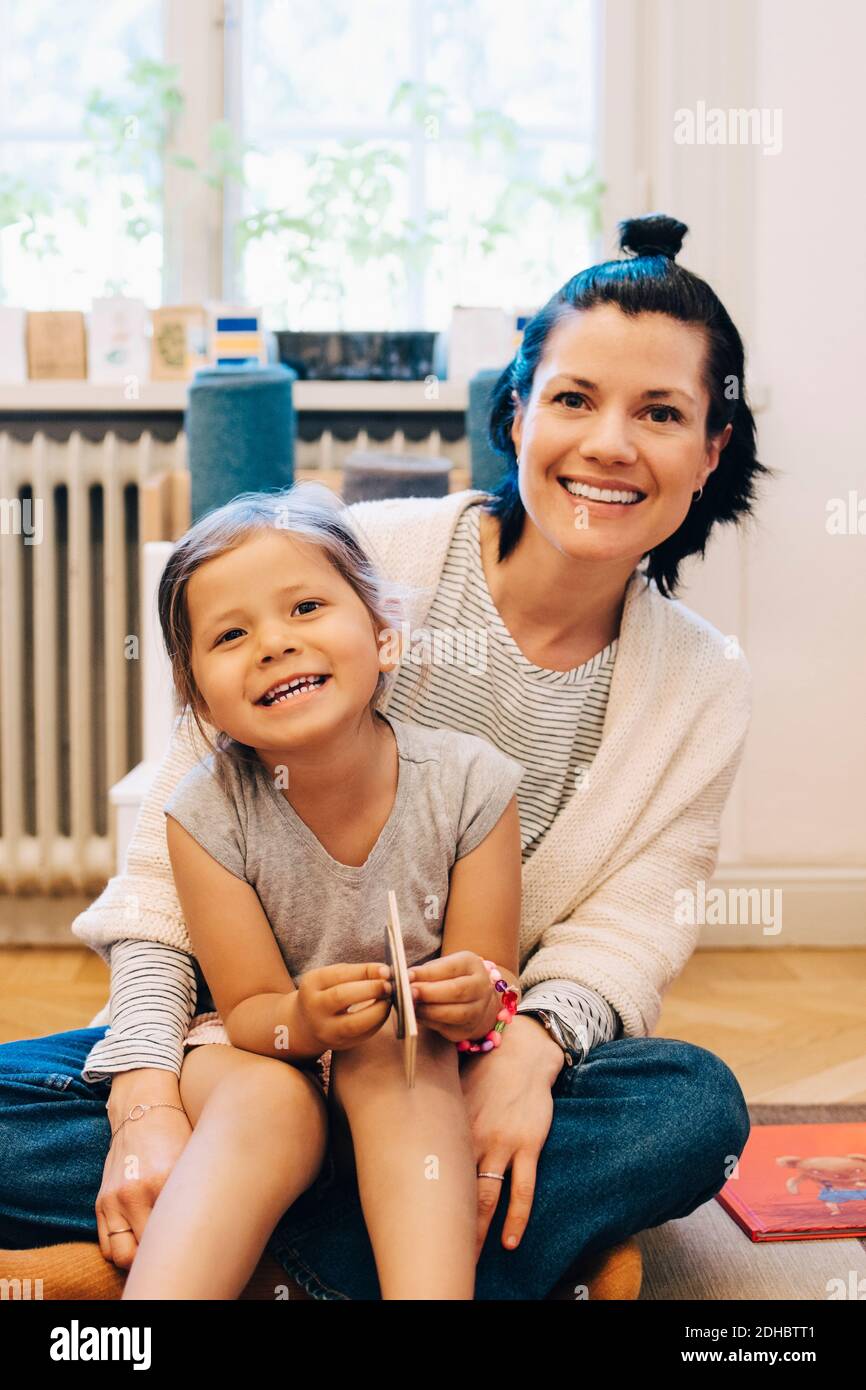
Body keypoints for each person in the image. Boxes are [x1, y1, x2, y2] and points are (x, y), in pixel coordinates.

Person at [0, 212, 768, 1300]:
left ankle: (221, 1250)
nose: (608, 443)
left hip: (446, 1070)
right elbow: (162, 875)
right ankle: (389, 1247)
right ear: (515, 411)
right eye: (572, 399)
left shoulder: (699, 680)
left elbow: (632, 923)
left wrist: (527, 1053)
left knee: (689, 1108)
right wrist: (145, 1106)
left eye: (658, 412)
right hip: (242, 1055)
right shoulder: (353, 563)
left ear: (710, 446)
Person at [120, 483, 525, 1300]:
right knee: (268, 1104)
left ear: (384, 637)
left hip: (411, 1072)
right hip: (256, 1056)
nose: (273, 644)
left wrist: (472, 998)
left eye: (306, 607)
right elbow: (247, 1012)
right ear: (199, 697)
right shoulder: (203, 811)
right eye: (231, 634)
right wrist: (301, 1021)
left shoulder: (473, 784)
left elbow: (494, 988)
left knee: (398, 1062)